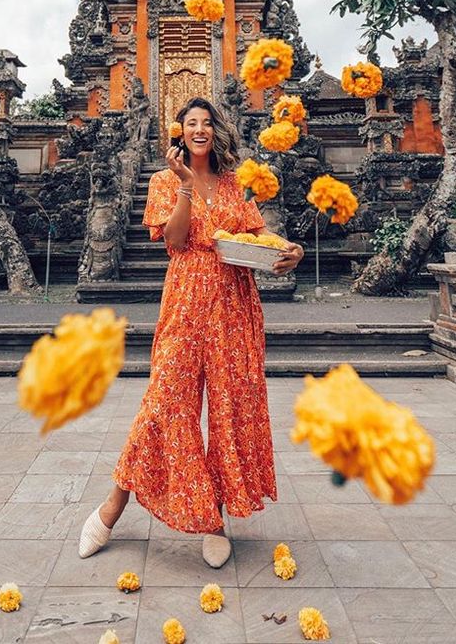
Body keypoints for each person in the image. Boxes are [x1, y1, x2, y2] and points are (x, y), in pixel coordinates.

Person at [78, 96, 304, 567]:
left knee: (229, 407)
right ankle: (110, 508)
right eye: (191, 123)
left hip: (235, 302)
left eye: (206, 122)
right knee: (164, 403)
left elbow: (256, 240)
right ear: (179, 132)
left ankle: (214, 518)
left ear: (216, 130)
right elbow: (177, 241)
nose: (199, 129)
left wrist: (289, 250)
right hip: (185, 298)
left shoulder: (236, 183)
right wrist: (184, 186)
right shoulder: (164, 181)